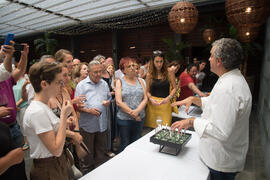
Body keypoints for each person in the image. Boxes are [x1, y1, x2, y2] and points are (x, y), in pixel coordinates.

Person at [171, 38, 252, 180]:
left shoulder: (229, 88)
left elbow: (220, 130)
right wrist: (194, 99)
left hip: (222, 161)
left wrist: (191, 121)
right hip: (221, 156)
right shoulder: (228, 79)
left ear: (219, 61)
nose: (208, 59)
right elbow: (216, 102)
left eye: (211, 55)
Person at [23, 62, 73, 180]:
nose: (62, 85)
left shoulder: (42, 107)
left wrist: (64, 121)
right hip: (48, 168)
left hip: (54, 165)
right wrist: (63, 116)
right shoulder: (37, 111)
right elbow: (56, 149)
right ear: (44, 84)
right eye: (58, 82)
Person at [75, 60, 111, 173]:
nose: (98, 74)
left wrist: (107, 102)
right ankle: (87, 174)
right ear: (89, 72)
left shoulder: (104, 84)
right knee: (87, 154)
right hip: (87, 125)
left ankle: (100, 173)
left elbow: (109, 97)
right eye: (95, 72)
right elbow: (77, 106)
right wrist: (89, 110)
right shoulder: (81, 85)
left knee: (100, 152)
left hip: (102, 124)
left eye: (100, 71)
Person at [115, 57, 148, 152]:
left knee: (137, 142)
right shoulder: (120, 82)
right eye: (129, 66)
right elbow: (118, 101)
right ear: (123, 70)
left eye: (133, 65)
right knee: (125, 144)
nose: (133, 68)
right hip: (124, 119)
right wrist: (133, 113)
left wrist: (137, 112)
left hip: (139, 118)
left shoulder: (141, 81)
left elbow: (145, 98)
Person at [0, 42, 28, 147]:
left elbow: (20, 69)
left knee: (18, 158)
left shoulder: (6, 79)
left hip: (14, 126)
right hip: (1, 129)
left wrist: (24, 55)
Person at [144, 50, 176, 128]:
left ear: (164, 61)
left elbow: (174, 88)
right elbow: (147, 91)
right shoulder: (149, 74)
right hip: (153, 105)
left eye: (161, 61)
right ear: (153, 62)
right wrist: (151, 99)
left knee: (165, 128)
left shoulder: (169, 72)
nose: (159, 64)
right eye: (157, 62)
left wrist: (169, 98)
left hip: (165, 104)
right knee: (153, 131)